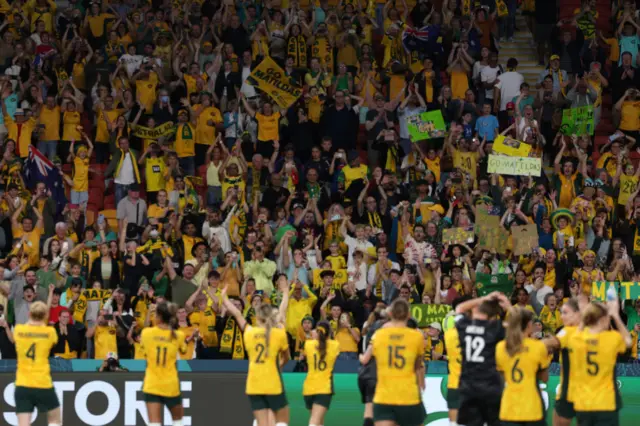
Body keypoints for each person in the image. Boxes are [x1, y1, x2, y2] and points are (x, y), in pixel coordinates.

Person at [220, 284, 290, 426]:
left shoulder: (249, 332)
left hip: (254, 382)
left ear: (257, 318)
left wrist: (224, 298)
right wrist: (286, 292)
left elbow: (237, 314)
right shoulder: (278, 333)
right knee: (281, 417)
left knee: (262, 420)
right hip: (272, 379)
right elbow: (287, 356)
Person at [360, 298, 426, 426]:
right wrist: (421, 383)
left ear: (390, 314)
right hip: (408, 395)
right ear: (409, 315)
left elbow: (366, 359)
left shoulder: (379, 335)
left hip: (384, 396)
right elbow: (418, 365)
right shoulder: (417, 336)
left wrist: (360, 357)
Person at [569, 299, 632, 426]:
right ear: (603, 319)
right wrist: (616, 315)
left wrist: (584, 315)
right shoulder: (611, 338)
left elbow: (577, 333)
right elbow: (629, 342)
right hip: (606, 403)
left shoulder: (576, 339)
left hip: (583, 403)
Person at [455, 292, 512, 426]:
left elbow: (459, 309)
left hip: (468, 386)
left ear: (474, 309)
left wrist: (483, 298)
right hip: (490, 384)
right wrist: (508, 305)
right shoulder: (495, 327)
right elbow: (517, 324)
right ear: (491, 316)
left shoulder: (464, 325)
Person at [495, 306, 551, 425]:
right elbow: (545, 378)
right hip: (532, 407)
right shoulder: (538, 347)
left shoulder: (501, 347)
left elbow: (501, 377)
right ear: (529, 325)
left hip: (509, 408)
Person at [13, 301, 61, 426]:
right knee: (55, 419)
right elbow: (53, 341)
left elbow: (26, 328)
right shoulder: (50, 332)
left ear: (29, 314)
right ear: (45, 316)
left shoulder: (18, 330)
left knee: (23, 424)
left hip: (22, 384)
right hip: (43, 383)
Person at [140, 301, 187, 426]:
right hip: (170, 384)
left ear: (159, 317)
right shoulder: (179, 335)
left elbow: (144, 352)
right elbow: (183, 350)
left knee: (154, 424)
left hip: (152, 384)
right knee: (178, 422)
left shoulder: (146, 333)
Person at [544, 298, 582, 426]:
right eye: (561, 313)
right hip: (588, 392)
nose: (562, 316)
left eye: (565, 313)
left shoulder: (568, 331)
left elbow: (551, 343)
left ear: (577, 314)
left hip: (569, 390)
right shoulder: (592, 331)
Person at [301, 320, 340, 426]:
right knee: (314, 422)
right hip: (324, 388)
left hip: (308, 388)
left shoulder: (308, 344)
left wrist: (314, 337)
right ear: (329, 332)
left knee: (318, 422)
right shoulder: (335, 345)